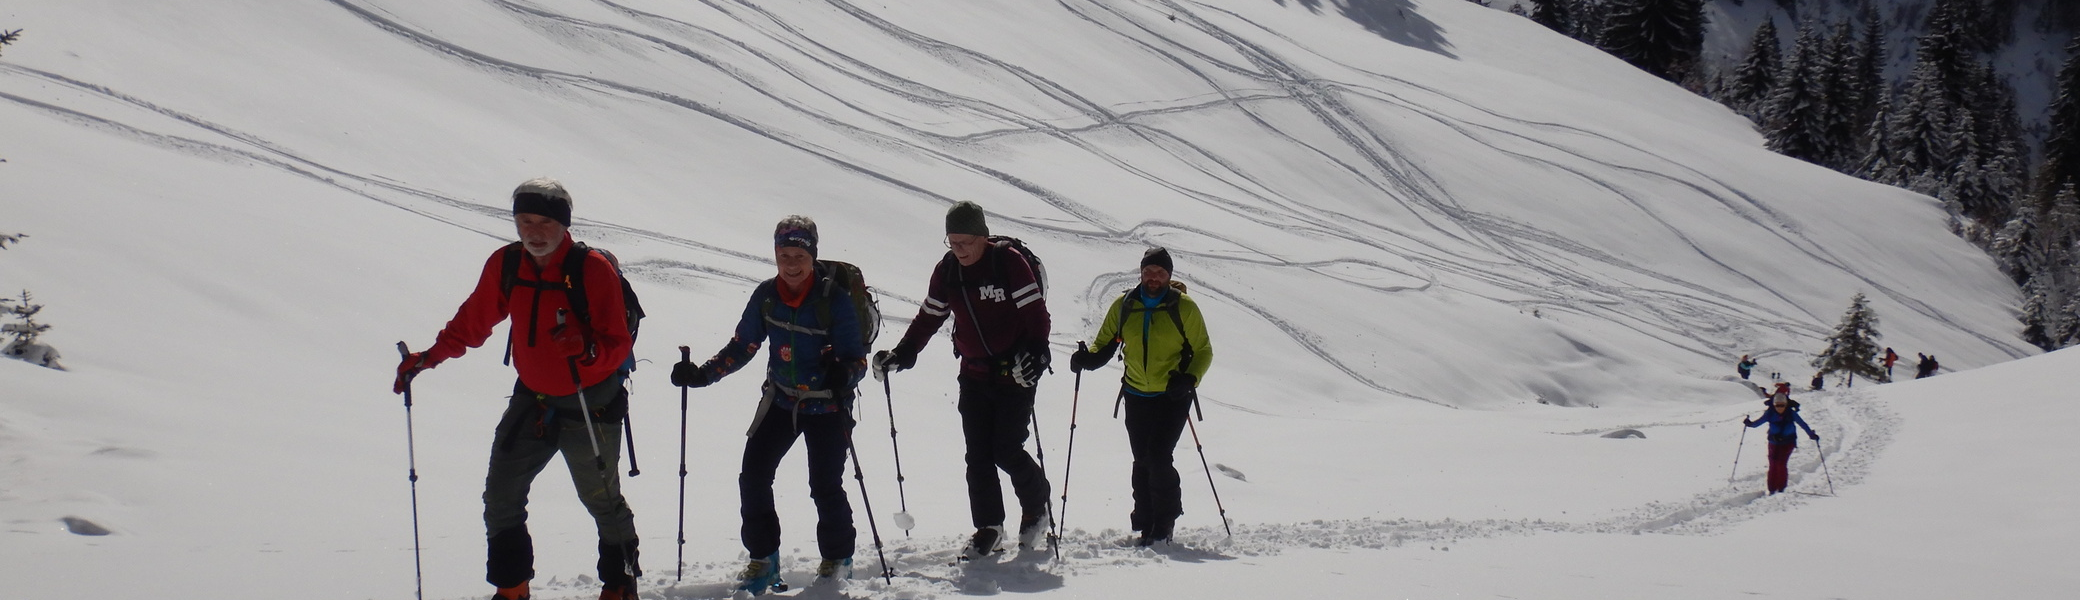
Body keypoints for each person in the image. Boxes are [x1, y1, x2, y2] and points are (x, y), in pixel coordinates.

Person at [393, 178, 639, 600]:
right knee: (501, 494)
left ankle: (619, 584)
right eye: (525, 220)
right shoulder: (507, 264)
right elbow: (473, 321)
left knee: (601, 498)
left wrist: (587, 349)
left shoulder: (591, 269)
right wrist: (428, 358)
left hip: (590, 400)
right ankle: (512, 589)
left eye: (544, 221)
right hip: (535, 398)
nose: (534, 231)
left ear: (563, 224)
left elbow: (618, 344)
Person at [670, 216, 866, 592]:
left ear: (812, 255)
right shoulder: (766, 295)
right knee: (754, 476)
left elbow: (855, 361)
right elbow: (743, 346)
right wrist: (702, 375)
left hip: (826, 406)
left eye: (799, 254)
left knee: (825, 485)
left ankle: (838, 558)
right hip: (781, 400)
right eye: (784, 254)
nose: (791, 263)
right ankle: (763, 560)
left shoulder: (834, 301)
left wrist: (842, 375)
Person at [872, 201, 1054, 559]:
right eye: (952, 242)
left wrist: (1037, 353)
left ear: (983, 237)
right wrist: (903, 352)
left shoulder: (1008, 263)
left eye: (965, 242)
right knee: (978, 455)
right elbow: (929, 316)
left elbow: (1036, 316)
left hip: (1015, 371)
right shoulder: (948, 271)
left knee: (1006, 448)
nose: (959, 249)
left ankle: (1036, 508)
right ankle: (989, 528)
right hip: (973, 373)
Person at [1067, 247, 1214, 547]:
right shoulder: (1125, 305)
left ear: (1169, 276)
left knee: (1159, 457)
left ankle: (1165, 521)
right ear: (1141, 273)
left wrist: (1189, 379)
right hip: (1135, 393)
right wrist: (1087, 359)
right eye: (1149, 272)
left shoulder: (1184, 307)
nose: (1154, 278)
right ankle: (1145, 519)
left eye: (1160, 273)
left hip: (1172, 395)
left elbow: (1203, 351)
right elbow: (1105, 344)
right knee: (1142, 460)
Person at [1744, 388, 1818, 494]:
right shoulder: (1769, 413)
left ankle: (1781, 488)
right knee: (1773, 464)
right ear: (1774, 405)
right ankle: (1772, 488)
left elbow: (1802, 424)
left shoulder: (1791, 413)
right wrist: (1749, 423)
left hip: (1788, 442)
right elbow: (1757, 423)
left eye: (1782, 405)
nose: (1780, 408)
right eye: (1777, 405)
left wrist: (1811, 434)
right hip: (1773, 443)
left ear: (1786, 404)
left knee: (1781, 464)